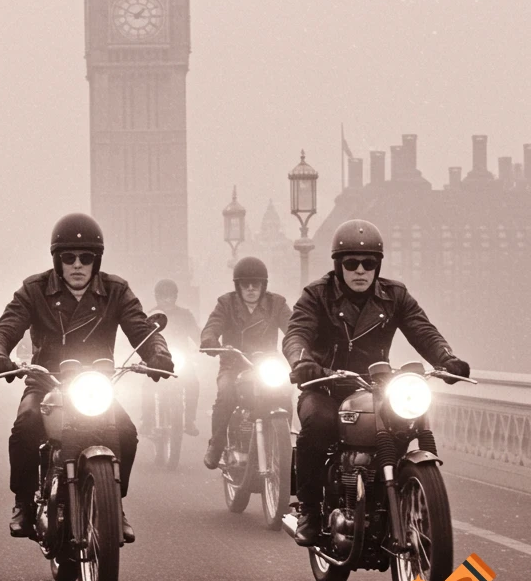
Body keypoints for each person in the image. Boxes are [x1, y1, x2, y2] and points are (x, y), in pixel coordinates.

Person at [0, 213, 174, 542]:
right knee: (26, 425)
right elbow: (5, 327)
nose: (77, 265)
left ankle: (114, 503)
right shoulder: (34, 289)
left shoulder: (116, 290)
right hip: (47, 381)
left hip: (95, 383)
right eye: (68, 257)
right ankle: (24, 502)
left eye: (86, 257)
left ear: (96, 260)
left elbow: (142, 328)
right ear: (57, 260)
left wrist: (159, 354)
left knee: (126, 434)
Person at [283, 220, 469, 545]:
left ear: (377, 265)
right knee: (318, 425)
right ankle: (310, 511)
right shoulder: (317, 295)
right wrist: (302, 362)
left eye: (368, 263)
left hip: (376, 388)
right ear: (338, 265)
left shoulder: (395, 295)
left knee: (405, 426)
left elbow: (422, 329)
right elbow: (297, 331)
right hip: (325, 385)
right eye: (350, 263)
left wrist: (445, 358)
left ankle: (403, 501)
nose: (359, 270)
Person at [198, 257, 292, 470]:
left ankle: (287, 441)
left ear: (263, 285)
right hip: (234, 364)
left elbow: (294, 328)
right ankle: (218, 443)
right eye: (245, 284)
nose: (250, 288)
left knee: (284, 390)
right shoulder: (226, 303)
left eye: (255, 284)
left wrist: (302, 344)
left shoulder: (277, 303)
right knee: (227, 394)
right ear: (238, 286)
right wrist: (209, 340)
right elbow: (213, 324)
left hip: (267, 364)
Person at [142, 278, 201, 438]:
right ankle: (146, 422)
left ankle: (189, 420)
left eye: (170, 295)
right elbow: (140, 337)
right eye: (163, 296)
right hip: (157, 358)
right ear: (157, 297)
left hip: (181, 358)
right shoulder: (151, 315)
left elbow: (196, 334)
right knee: (147, 385)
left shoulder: (185, 314)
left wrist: (204, 344)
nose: (167, 299)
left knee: (193, 383)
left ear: (176, 296)